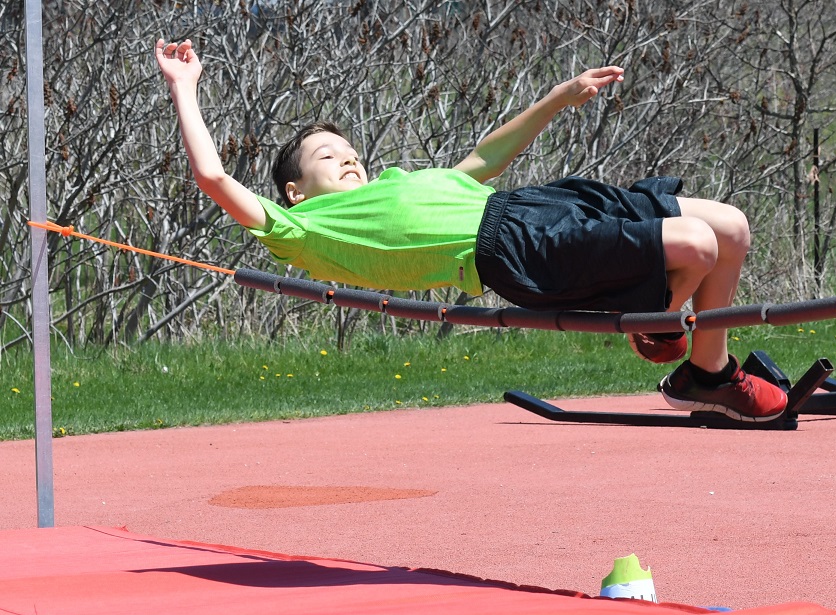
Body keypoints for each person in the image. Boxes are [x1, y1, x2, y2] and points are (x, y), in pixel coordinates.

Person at [155, 38, 787, 423]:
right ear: (296, 191)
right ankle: (662, 321)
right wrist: (187, 88)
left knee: (730, 228)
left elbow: (483, 161)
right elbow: (212, 176)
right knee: (697, 246)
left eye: (350, 150)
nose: (348, 158)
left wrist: (560, 96)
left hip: (534, 206)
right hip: (509, 250)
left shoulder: (402, 183)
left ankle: (707, 375)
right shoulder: (297, 227)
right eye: (328, 157)